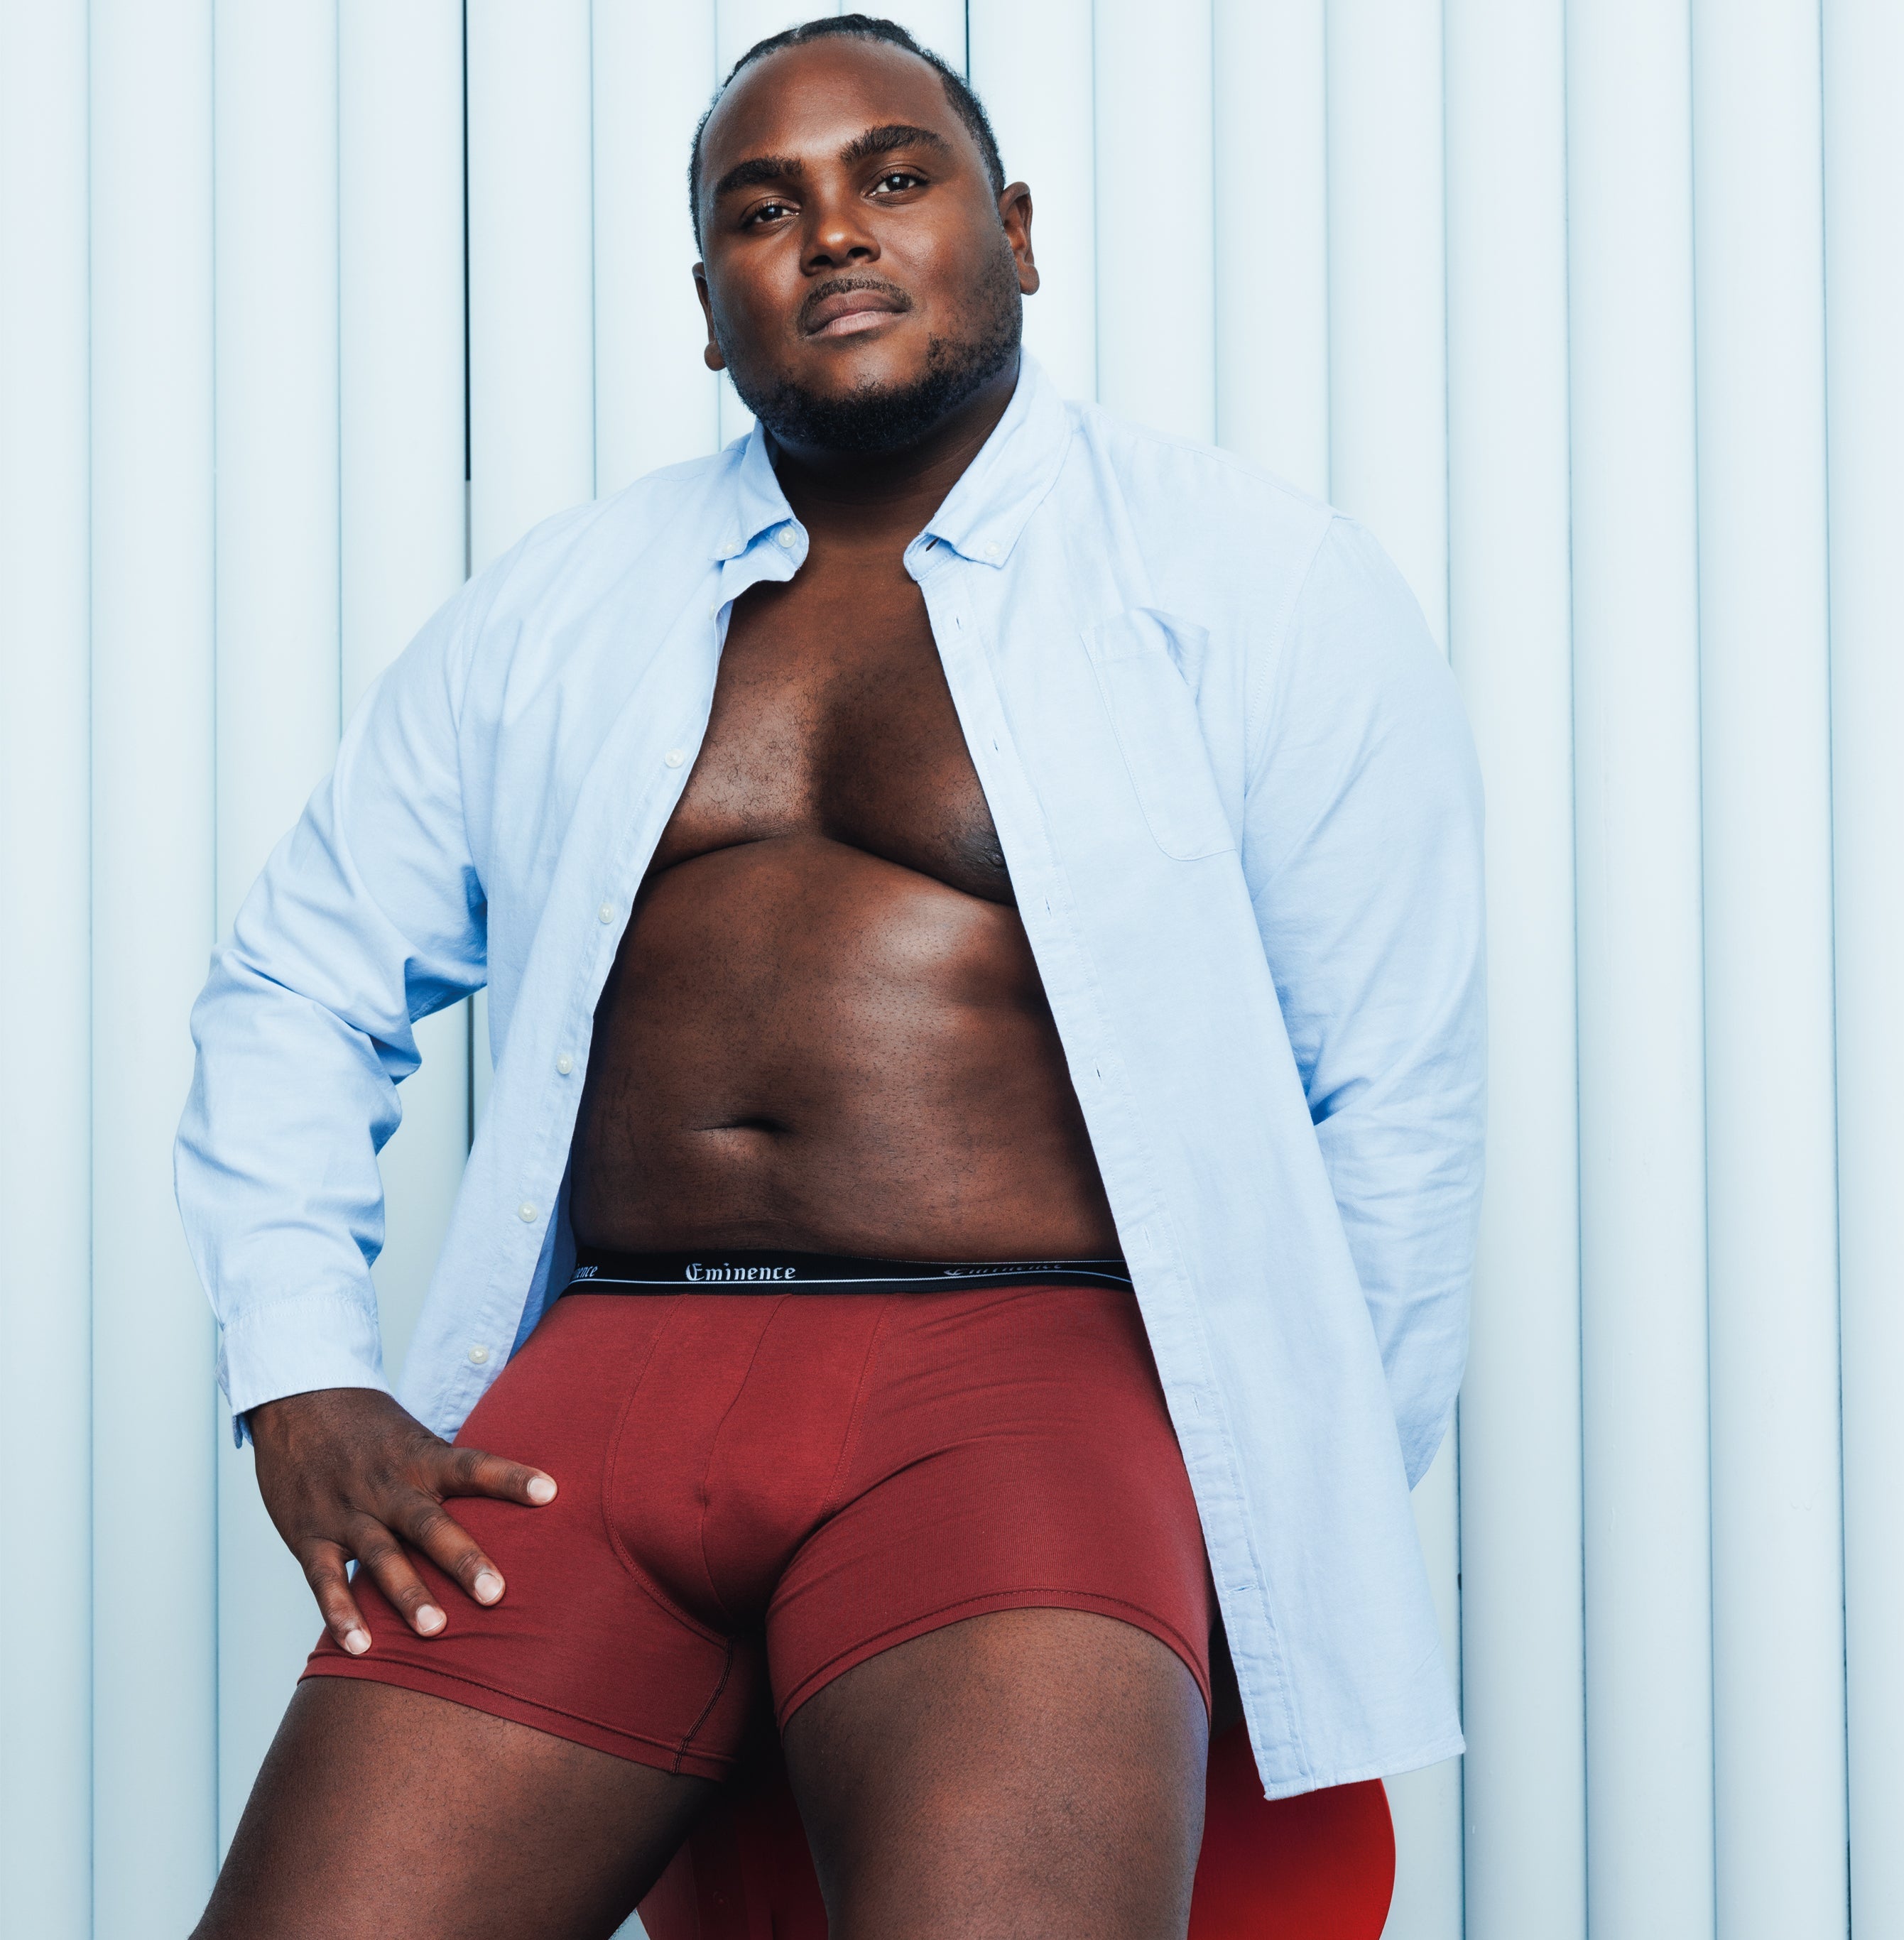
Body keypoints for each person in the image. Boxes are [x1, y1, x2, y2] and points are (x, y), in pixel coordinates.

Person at [176, 16, 1484, 1939]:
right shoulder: (553, 610)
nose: (836, 233)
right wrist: (300, 1368)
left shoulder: (1255, 584)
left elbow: (1395, 1096)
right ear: (710, 307)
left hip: (1022, 1388)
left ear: (1012, 231)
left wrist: (1298, 1525)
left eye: (894, 175)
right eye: (763, 208)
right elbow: (298, 982)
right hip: (604, 1391)